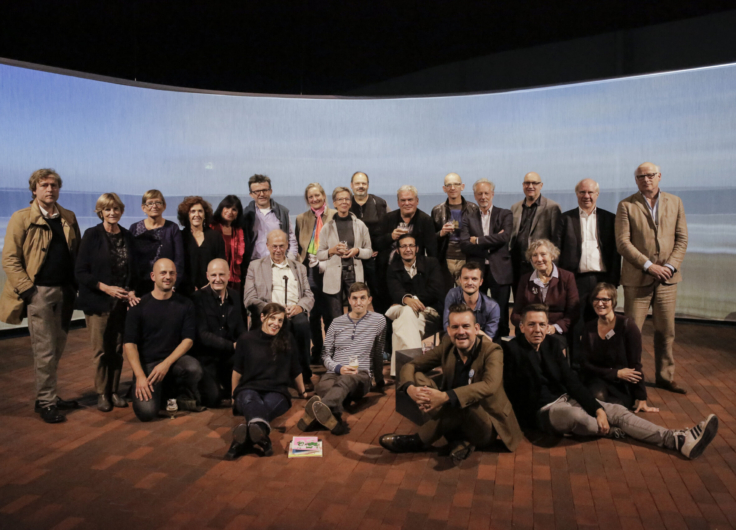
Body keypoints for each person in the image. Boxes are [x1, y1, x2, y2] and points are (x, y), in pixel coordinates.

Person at [504, 304, 718, 460]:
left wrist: (596, 409)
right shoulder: (511, 351)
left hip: (566, 398)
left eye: (542, 324)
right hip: (544, 412)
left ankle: (677, 439)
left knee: (616, 411)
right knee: (579, 417)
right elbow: (513, 393)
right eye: (531, 325)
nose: (538, 329)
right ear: (521, 327)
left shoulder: (552, 344)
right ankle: (614, 429)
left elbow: (572, 382)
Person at [379, 304, 523, 463]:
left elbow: (490, 385)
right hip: (452, 412)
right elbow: (411, 365)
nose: (460, 332)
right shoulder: (447, 345)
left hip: (485, 424)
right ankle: (460, 442)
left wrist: (445, 397)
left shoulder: (492, 350)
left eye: (466, 326)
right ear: (448, 330)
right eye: (455, 327)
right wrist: (410, 389)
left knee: (464, 403)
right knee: (419, 377)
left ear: (476, 328)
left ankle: (418, 441)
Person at [0, 169, 81, 423]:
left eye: (54, 185)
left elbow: (75, 254)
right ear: (34, 189)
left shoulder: (68, 217)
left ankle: (48, 395)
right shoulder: (21, 217)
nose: (50, 189)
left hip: (65, 293)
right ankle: (46, 402)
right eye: (44, 185)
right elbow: (10, 259)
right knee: (44, 350)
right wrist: (28, 291)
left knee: (56, 347)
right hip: (39, 293)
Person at [615, 162, 688, 394]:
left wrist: (670, 266)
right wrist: (649, 266)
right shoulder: (626, 205)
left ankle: (665, 377)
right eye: (641, 176)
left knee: (666, 331)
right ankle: (630, 378)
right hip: (637, 278)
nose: (646, 179)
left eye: (650, 175)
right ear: (636, 180)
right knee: (632, 332)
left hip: (668, 279)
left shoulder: (675, 202)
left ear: (659, 176)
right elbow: (623, 243)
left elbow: (682, 239)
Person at [75, 193, 137, 412]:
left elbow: (133, 270)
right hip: (98, 302)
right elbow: (80, 271)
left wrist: (130, 292)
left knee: (118, 349)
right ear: (100, 211)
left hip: (121, 305)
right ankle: (102, 393)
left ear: (121, 211)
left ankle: (114, 391)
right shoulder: (92, 235)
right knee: (101, 350)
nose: (112, 213)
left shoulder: (128, 237)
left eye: (116, 209)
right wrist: (105, 288)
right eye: (107, 209)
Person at [123, 258, 205, 422]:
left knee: (193, 368)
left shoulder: (185, 304)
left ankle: (173, 392)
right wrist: (139, 376)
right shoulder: (138, 306)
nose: (168, 276)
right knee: (146, 413)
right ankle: (160, 394)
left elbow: (188, 340)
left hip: (173, 361)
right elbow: (129, 344)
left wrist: (166, 364)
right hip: (148, 365)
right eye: (163, 273)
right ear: (153, 276)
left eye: (171, 273)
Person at [298, 282, 386, 435]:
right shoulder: (336, 323)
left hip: (360, 375)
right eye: (355, 298)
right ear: (349, 300)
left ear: (369, 300)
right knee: (324, 387)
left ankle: (316, 410)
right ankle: (332, 418)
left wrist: (379, 380)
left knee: (346, 380)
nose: (358, 302)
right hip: (334, 372)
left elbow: (378, 352)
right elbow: (325, 356)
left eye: (362, 298)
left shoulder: (379, 321)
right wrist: (339, 368)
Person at [226, 303, 307, 460]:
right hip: (248, 389)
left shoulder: (287, 338)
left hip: (277, 392)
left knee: (264, 406)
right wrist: (233, 395)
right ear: (262, 317)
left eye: (280, 320)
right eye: (272, 318)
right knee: (250, 399)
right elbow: (237, 371)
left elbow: (296, 368)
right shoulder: (246, 339)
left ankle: (242, 440)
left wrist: (302, 391)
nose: (276, 323)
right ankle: (262, 439)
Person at [243, 229, 316, 390]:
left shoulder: (299, 267)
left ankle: (304, 374)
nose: (278, 250)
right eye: (274, 246)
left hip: (293, 311)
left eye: (281, 246)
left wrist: (299, 307)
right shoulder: (255, 266)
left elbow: (309, 295)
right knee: (284, 326)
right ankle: (281, 375)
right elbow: (249, 298)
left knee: (302, 324)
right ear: (267, 246)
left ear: (287, 246)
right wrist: (272, 310)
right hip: (270, 313)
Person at [580, 283, 658, 413]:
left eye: (605, 299)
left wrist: (641, 397)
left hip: (621, 385)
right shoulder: (589, 328)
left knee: (616, 407)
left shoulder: (627, 326)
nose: (600, 303)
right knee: (598, 398)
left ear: (613, 301)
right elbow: (585, 364)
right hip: (597, 379)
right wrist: (615, 373)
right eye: (596, 299)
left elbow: (635, 364)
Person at [555, 179, 620, 325]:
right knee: (574, 323)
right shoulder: (565, 219)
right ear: (577, 194)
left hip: (602, 280)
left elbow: (615, 253)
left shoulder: (610, 219)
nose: (586, 196)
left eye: (590, 192)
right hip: (574, 279)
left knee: (601, 322)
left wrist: (614, 281)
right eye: (582, 192)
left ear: (597, 194)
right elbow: (556, 251)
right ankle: (575, 349)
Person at [460, 178, 513, 338]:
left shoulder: (505, 214)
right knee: (475, 310)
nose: (483, 197)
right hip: (477, 271)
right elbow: (464, 244)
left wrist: (478, 240)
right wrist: (495, 238)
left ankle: (501, 349)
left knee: (501, 312)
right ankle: (476, 344)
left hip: (500, 270)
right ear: (475, 196)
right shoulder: (467, 218)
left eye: (486, 193)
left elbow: (505, 238)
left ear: (492, 194)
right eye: (479, 194)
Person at [385, 234, 444, 377]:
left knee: (401, 322)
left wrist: (412, 300)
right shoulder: (393, 268)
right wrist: (406, 300)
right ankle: (416, 367)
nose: (408, 249)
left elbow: (435, 290)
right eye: (404, 246)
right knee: (406, 313)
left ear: (417, 248)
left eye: (411, 245)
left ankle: (398, 371)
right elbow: (394, 290)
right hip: (402, 309)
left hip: (428, 311)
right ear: (398, 251)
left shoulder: (431, 263)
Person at [374, 185, 437, 313]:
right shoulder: (388, 218)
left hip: (413, 275)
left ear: (417, 201)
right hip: (386, 273)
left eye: (410, 200)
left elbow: (432, 251)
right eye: (403, 200)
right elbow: (375, 244)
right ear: (398, 202)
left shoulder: (426, 220)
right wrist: (390, 236)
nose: (407, 203)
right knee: (385, 312)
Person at [193, 259, 247, 408]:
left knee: (245, 387)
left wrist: (242, 345)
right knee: (212, 398)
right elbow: (202, 334)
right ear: (207, 276)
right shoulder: (198, 298)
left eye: (222, 274)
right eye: (214, 275)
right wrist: (232, 346)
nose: (218, 279)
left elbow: (241, 328)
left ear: (229, 275)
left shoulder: (235, 296)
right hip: (207, 357)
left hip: (229, 357)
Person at [510, 239, 579, 354]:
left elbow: (574, 312)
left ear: (552, 256)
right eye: (535, 255)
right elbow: (515, 314)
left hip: (555, 331)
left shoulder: (567, 277)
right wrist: (528, 327)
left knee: (553, 348)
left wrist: (555, 327)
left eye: (543, 254)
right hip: (530, 331)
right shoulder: (525, 279)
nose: (539, 259)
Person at [317, 187, 373, 320]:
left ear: (351, 202)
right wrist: (332, 251)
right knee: (335, 316)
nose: (344, 202)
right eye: (340, 199)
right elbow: (320, 254)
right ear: (334, 203)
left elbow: (369, 252)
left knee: (357, 314)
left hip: (354, 273)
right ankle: (339, 341)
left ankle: (357, 340)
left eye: (347, 199)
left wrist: (357, 251)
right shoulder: (327, 227)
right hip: (333, 275)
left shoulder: (360, 225)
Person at [295, 183, 335, 364]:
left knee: (329, 313)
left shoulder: (335, 215)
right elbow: (296, 245)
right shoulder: (301, 218)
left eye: (317, 195)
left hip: (330, 267)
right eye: (310, 197)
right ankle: (317, 349)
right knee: (313, 312)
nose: (314, 199)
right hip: (309, 268)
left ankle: (330, 351)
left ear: (324, 195)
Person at [509, 172, 562, 288]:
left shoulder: (552, 207)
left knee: (539, 302)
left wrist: (553, 268)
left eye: (534, 183)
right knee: (520, 299)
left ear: (541, 185)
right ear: (523, 185)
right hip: (517, 265)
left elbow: (557, 240)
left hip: (540, 265)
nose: (530, 186)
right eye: (527, 183)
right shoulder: (515, 207)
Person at [129, 190, 184, 295]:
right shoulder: (134, 228)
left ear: (164, 206)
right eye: (150, 203)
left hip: (166, 284)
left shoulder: (172, 228)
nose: (154, 206)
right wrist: (131, 287)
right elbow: (130, 259)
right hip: (140, 285)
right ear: (143, 207)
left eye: (158, 202)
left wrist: (174, 284)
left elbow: (179, 259)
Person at [241, 174, 298, 275]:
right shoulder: (245, 215)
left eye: (265, 190)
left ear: (270, 191)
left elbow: (291, 239)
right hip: (255, 265)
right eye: (257, 191)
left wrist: (290, 261)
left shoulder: (283, 212)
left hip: (279, 264)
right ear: (251, 194)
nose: (261, 194)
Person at [431, 172, 479, 289]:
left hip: (466, 257)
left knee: (466, 295)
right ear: (444, 189)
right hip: (446, 258)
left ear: (462, 187)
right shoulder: (437, 210)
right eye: (449, 185)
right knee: (445, 295)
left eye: (456, 184)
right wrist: (441, 233)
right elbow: (430, 239)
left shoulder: (473, 209)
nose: (452, 188)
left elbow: (480, 234)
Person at [177, 196, 226, 297]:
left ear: (205, 215)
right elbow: (177, 264)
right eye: (193, 211)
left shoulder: (215, 236)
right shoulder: (180, 237)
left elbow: (221, 263)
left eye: (200, 211)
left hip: (211, 290)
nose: (197, 215)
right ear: (187, 215)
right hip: (184, 291)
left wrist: (209, 285)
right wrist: (190, 287)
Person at [349, 171, 388, 296]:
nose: (361, 186)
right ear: (351, 185)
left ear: (368, 185)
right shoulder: (346, 204)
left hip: (375, 259)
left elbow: (389, 228)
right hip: (352, 258)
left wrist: (381, 249)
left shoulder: (380, 203)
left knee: (378, 294)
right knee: (355, 294)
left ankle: (380, 316)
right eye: (357, 183)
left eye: (363, 183)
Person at [443, 262, 500, 339]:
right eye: (466, 278)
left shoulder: (492, 307)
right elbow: (447, 328)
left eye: (474, 279)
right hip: (456, 341)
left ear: (481, 282)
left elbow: (488, 339)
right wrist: (476, 331)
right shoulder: (452, 295)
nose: (469, 282)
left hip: (479, 346)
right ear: (460, 280)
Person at [210, 195, 247, 293]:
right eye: (227, 207)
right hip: (214, 278)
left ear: (238, 213)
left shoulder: (239, 231)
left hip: (234, 279)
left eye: (234, 209)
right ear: (221, 208)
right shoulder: (211, 227)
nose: (230, 212)